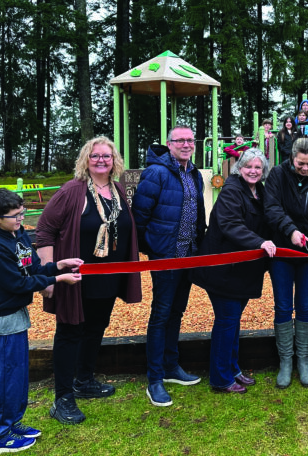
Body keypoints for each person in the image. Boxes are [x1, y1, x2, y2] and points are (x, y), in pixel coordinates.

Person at [37, 136, 142, 424]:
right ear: (86, 159)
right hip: (75, 278)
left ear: (114, 160)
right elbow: (45, 231)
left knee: (96, 327)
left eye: (106, 156)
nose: (101, 161)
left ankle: (84, 382)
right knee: (70, 332)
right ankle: (62, 398)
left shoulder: (117, 189)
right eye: (95, 156)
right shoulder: (73, 191)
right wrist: (50, 274)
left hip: (107, 276)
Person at [0, 189, 82, 454]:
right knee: (6, 378)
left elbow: (33, 269)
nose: (21, 219)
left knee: (18, 376)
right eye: (15, 216)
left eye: (22, 213)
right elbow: (17, 283)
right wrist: (58, 280)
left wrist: (58, 265)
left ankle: (13, 423)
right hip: (3, 320)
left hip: (17, 315)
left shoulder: (18, 234)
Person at [132, 125, 207, 407]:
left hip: (189, 254)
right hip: (166, 255)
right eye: (180, 140)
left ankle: (172, 366)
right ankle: (155, 379)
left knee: (177, 310)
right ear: (169, 143)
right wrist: (152, 247)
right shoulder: (157, 172)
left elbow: (198, 212)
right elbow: (139, 215)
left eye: (190, 139)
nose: (186, 144)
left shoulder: (194, 173)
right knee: (161, 314)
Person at [190, 149, 275, 394]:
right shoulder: (231, 190)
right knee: (227, 321)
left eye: (258, 167)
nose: (253, 171)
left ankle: (232, 368)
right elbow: (229, 224)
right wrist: (259, 242)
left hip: (242, 271)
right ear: (240, 167)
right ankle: (220, 378)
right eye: (248, 166)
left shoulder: (260, 191)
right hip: (222, 269)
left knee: (233, 321)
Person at [264, 138, 308, 389]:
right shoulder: (277, 175)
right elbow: (271, 208)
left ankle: (303, 360)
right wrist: (291, 230)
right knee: (282, 306)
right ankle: (285, 361)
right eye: (301, 164)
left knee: (305, 305)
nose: (305, 168)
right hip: (282, 250)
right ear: (292, 158)